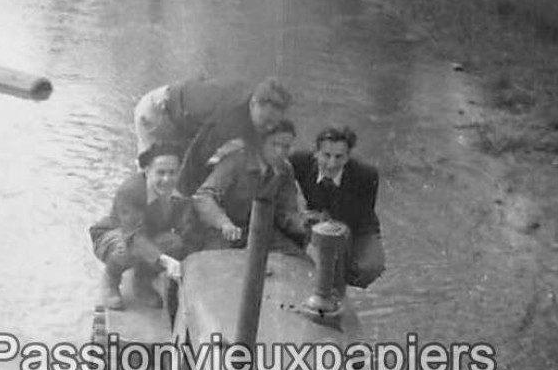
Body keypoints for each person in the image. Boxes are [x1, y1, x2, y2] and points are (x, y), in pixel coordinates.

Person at [133, 76, 293, 195]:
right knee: (162, 175)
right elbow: (197, 155)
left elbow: (257, 145)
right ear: (252, 104)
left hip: (188, 119)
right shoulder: (230, 117)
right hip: (160, 113)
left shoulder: (254, 112)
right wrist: (182, 195)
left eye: (274, 123)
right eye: (265, 122)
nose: (269, 128)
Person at [89, 143, 198, 311]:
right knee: (126, 248)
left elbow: (187, 226)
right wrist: (165, 261)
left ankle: (142, 281)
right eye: (160, 173)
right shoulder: (131, 190)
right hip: (116, 235)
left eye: (172, 173)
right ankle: (111, 278)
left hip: (149, 235)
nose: (167, 179)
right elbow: (133, 237)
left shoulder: (181, 192)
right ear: (147, 171)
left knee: (175, 242)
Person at [289, 125, 385, 292]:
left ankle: (337, 282)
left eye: (339, 157)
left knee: (369, 268)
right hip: (315, 219)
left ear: (347, 158)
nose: (332, 164)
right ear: (316, 153)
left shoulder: (366, 175)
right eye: (326, 156)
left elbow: (361, 215)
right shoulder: (298, 162)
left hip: (357, 226)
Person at [192, 119, 309, 253]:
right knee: (217, 267)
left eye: (286, 147)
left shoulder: (285, 169)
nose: (280, 152)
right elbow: (203, 196)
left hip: (262, 235)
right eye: (275, 144)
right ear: (261, 143)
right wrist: (223, 223)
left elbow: (287, 210)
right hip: (225, 234)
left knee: (298, 261)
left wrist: (303, 225)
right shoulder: (237, 161)